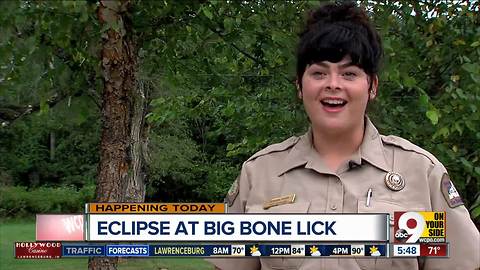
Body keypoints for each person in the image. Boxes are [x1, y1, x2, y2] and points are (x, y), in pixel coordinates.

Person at [207, 2, 480, 270]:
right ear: (300, 87)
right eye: (319, 72)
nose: (333, 84)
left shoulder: (421, 173)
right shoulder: (259, 174)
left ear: (372, 86)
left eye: (349, 73)